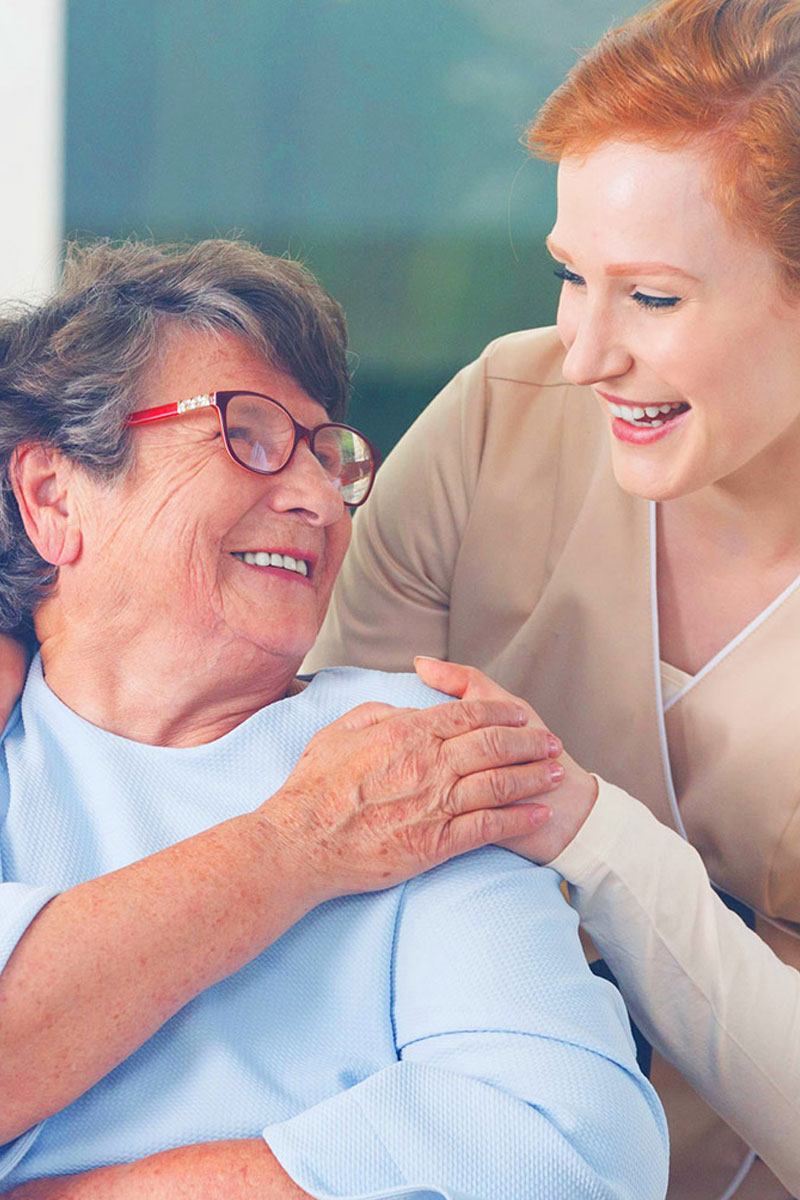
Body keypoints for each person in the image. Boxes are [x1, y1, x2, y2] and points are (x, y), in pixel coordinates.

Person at [0, 239, 668, 1198]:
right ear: (55, 496)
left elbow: (572, 1149)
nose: (319, 497)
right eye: (249, 433)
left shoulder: (410, 754)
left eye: (329, 454)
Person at [303, 1, 800, 1197]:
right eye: (572, 276)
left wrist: (587, 835)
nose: (582, 353)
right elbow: (316, 823)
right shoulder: (498, 417)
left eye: (654, 297)